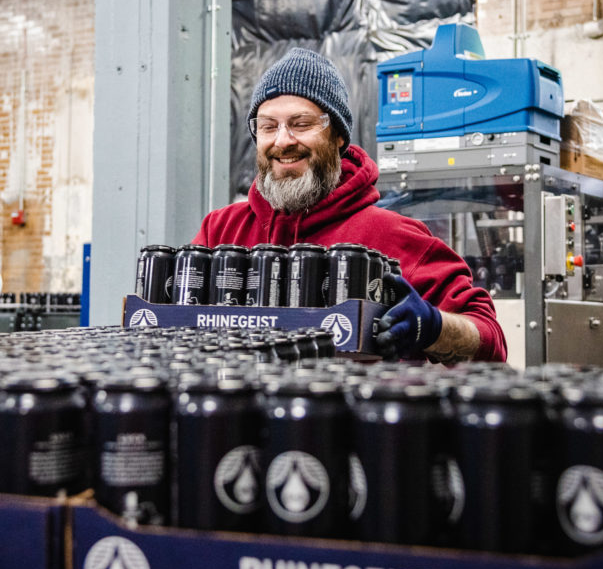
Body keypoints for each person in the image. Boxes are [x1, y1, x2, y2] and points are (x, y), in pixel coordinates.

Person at [193, 48, 507, 362]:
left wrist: (434, 326)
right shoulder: (221, 230)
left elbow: (491, 340)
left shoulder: (392, 235)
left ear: (338, 136)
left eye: (301, 124)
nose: (282, 141)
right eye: (268, 126)